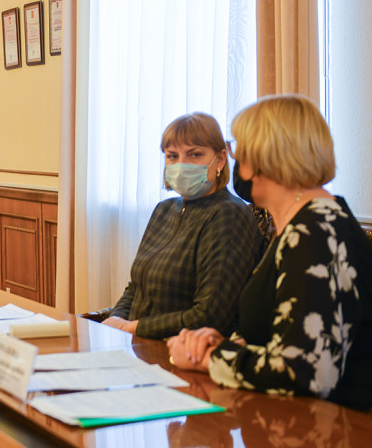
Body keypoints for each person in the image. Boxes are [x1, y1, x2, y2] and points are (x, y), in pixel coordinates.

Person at [168, 94, 372, 410]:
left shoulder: (315, 231)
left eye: (240, 150)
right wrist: (224, 343)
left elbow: (305, 372)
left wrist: (211, 358)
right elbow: (280, 335)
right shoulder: (300, 224)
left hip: (349, 425)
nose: (236, 163)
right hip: (295, 415)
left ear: (266, 157)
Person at [102, 113, 263, 339]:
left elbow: (209, 315)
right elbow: (137, 287)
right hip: (137, 342)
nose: (181, 164)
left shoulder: (229, 214)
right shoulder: (164, 209)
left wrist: (134, 328)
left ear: (220, 159)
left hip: (185, 350)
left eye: (195, 155)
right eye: (172, 156)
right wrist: (116, 321)